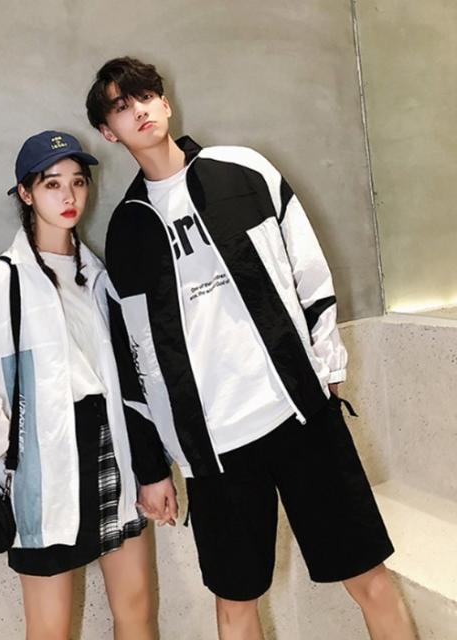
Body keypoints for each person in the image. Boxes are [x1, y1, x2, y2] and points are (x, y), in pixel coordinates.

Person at [85, 58, 416, 640]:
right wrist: (152, 466)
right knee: (235, 602)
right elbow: (132, 362)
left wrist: (326, 364)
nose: (138, 110)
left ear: (165, 102)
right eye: (120, 106)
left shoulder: (243, 170)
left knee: (367, 576)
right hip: (214, 449)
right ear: (109, 132)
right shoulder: (128, 232)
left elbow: (308, 269)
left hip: (299, 418)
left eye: (144, 96)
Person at [0, 130, 155, 640]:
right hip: (45, 469)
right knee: (49, 628)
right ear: (26, 192)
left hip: (111, 451)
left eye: (78, 182)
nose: (68, 196)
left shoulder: (96, 275)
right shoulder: (1, 279)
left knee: (138, 610)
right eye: (51, 184)